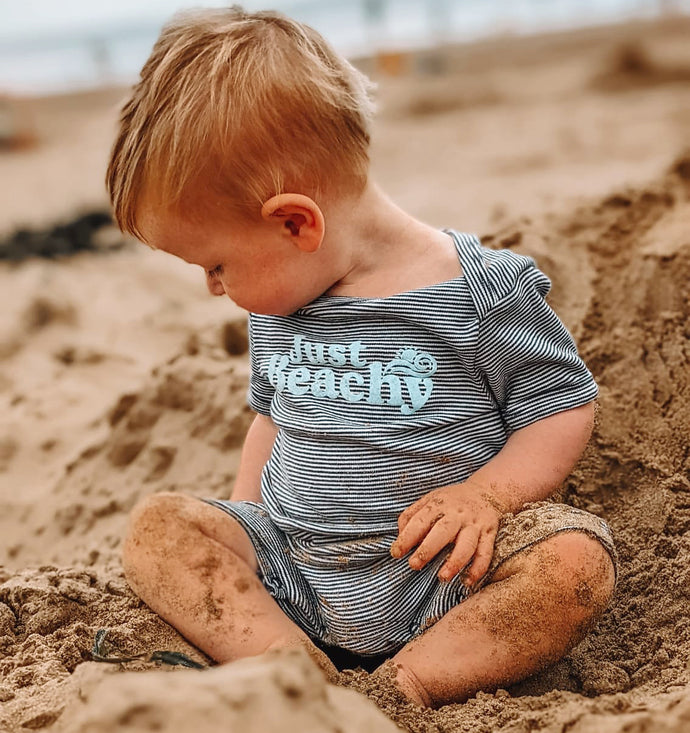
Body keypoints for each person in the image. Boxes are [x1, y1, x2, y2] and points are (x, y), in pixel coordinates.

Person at [107, 7, 617, 708]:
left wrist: (486, 496)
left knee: (574, 565)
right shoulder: (282, 298)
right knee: (156, 529)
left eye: (218, 263)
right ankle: (294, 668)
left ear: (295, 223)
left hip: (437, 575)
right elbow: (272, 418)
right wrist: (244, 527)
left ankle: (404, 686)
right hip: (295, 574)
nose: (215, 287)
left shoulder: (481, 293)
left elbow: (561, 407)